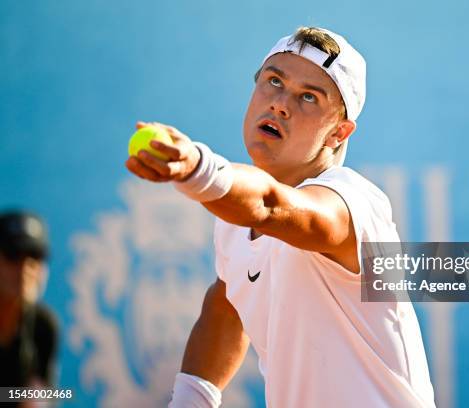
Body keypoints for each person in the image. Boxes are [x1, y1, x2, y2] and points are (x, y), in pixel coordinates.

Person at [126, 27, 436, 407]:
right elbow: (227, 303)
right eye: (274, 81)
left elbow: (272, 207)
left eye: (308, 97)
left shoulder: (353, 201)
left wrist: (198, 168)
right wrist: (190, 399)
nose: (280, 104)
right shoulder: (233, 218)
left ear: (338, 133)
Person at [0, 211, 59, 406]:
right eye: (13, 256)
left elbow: (56, 395)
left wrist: (35, 398)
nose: (25, 269)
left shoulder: (44, 325)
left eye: (35, 257)